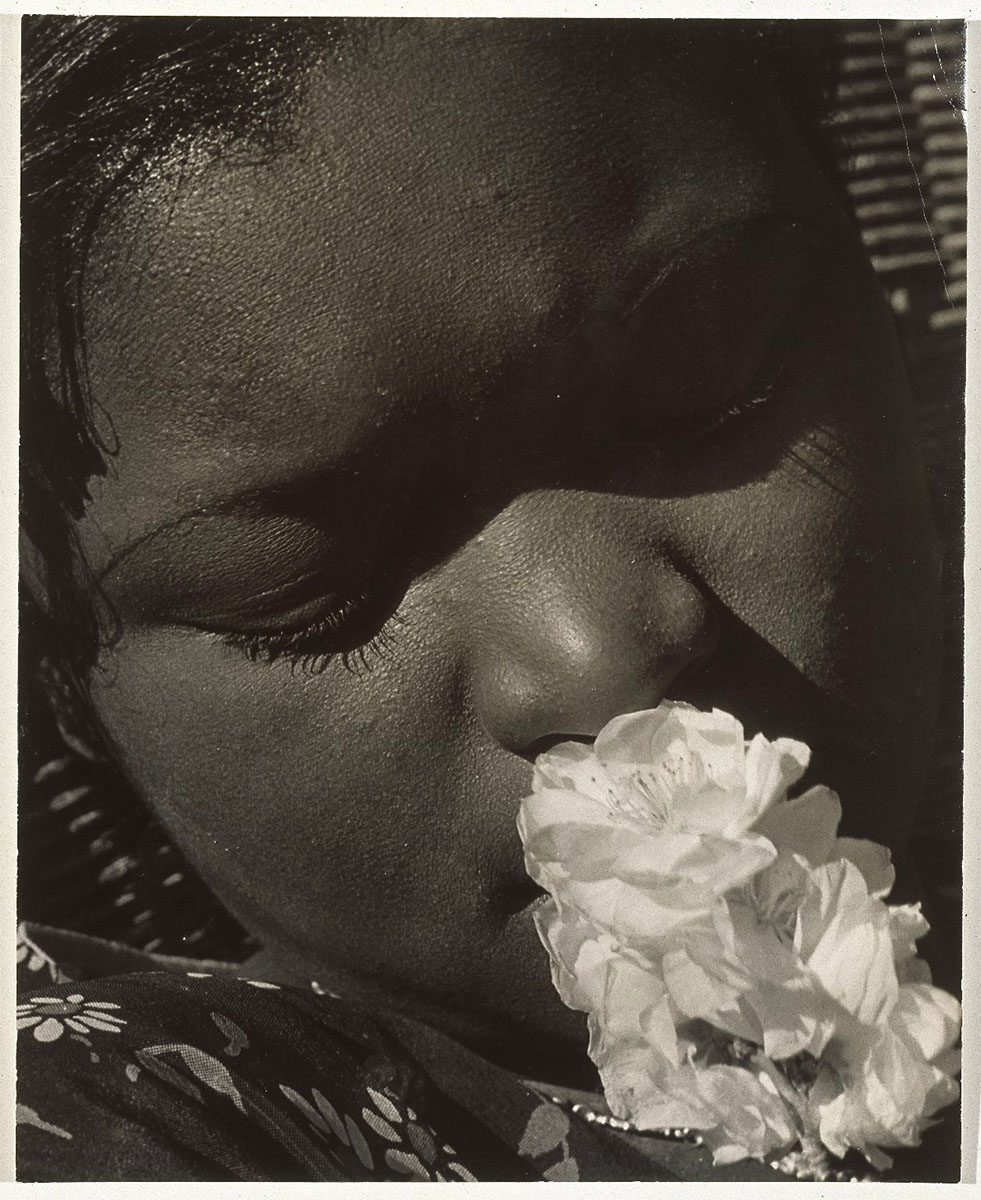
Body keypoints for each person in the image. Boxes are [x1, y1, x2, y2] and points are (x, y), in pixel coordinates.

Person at [17, 16, 962, 1181]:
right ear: (55, 679)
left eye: (707, 387)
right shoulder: (144, 1120)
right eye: (307, 590)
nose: (600, 654)